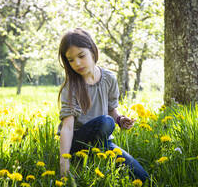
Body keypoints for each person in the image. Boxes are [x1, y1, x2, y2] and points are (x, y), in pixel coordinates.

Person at [57, 28, 149, 182]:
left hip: (104, 142)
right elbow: (67, 127)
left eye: (81, 56)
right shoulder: (71, 87)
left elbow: (111, 110)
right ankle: (81, 159)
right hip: (77, 143)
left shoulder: (109, 78)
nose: (77, 63)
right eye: (71, 60)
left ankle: (97, 155)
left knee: (143, 178)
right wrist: (64, 163)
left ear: (92, 51)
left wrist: (119, 120)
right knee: (105, 121)